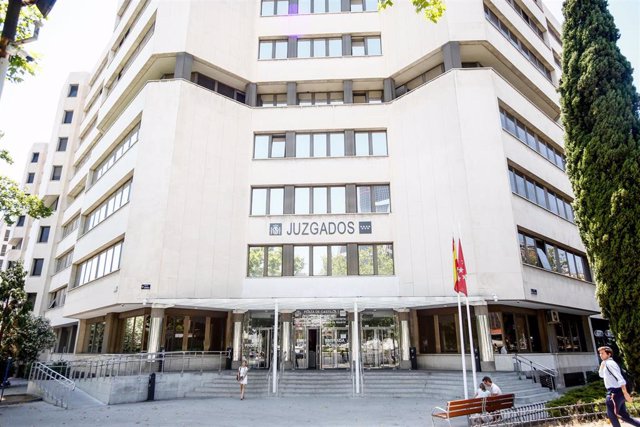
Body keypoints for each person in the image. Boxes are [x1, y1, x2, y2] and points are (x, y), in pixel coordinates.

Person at [598, 346, 640, 427]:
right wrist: (602, 364)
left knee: (612, 415)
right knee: (624, 416)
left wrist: (626, 393)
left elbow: (620, 379)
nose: (600, 355)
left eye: (602, 353)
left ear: (609, 354)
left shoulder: (610, 363)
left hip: (614, 393)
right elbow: (601, 375)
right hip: (618, 393)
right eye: (599, 353)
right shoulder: (607, 363)